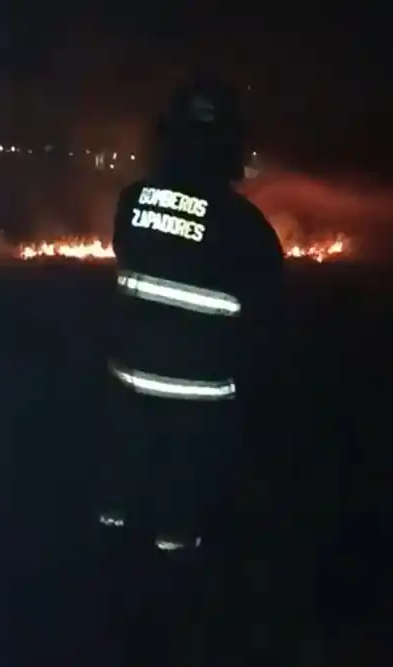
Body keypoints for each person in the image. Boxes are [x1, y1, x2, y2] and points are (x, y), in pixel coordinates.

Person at [98, 77, 284, 554]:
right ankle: (175, 561)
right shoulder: (241, 222)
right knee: (184, 484)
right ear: (229, 144)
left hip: (131, 375)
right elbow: (267, 303)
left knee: (127, 463)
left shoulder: (133, 199)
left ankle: (110, 533)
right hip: (199, 389)